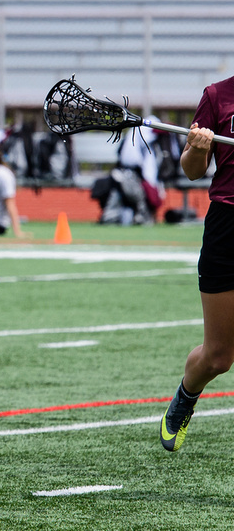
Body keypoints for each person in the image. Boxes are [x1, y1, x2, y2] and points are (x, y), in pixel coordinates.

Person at [159, 76, 234, 452]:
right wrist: (197, 148)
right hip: (227, 226)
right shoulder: (217, 96)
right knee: (219, 356)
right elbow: (191, 170)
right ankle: (187, 395)